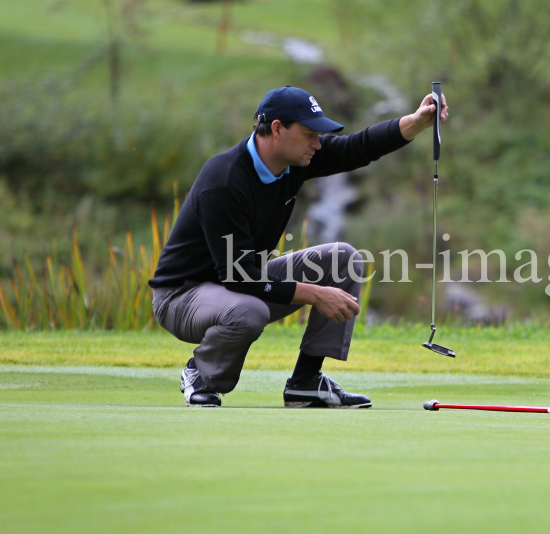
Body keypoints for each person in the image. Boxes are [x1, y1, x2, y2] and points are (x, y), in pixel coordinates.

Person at [148, 85, 448, 408]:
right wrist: (316, 294)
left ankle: (306, 381)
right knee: (250, 312)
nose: (317, 143)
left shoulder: (297, 162)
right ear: (277, 129)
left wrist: (416, 122)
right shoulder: (224, 180)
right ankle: (201, 375)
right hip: (181, 296)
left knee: (343, 260)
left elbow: (357, 148)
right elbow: (239, 278)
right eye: (309, 134)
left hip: (239, 281)